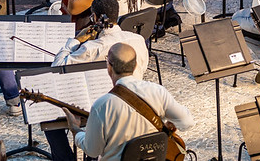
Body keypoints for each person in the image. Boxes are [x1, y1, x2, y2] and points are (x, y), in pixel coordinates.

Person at [45, 0, 151, 161]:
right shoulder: (138, 40)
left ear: (94, 17)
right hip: (135, 103)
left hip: (100, 107)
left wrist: (74, 41)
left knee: (49, 119)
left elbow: (57, 67)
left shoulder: (92, 48)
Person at [64, 43, 194, 161]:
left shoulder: (102, 105)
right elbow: (187, 123)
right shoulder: (158, 92)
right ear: (136, 65)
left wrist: (75, 130)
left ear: (109, 67)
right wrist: (169, 123)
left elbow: (93, 150)